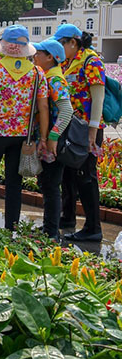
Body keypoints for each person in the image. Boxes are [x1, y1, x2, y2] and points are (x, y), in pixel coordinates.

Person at [0, 25, 48, 231]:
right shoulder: (36, 73)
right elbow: (43, 106)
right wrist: (44, 136)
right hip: (21, 134)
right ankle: (10, 228)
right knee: (14, 184)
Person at [56, 24, 106, 242]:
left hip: (87, 130)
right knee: (67, 175)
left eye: (61, 44)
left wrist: (93, 131)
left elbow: (98, 97)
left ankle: (93, 227)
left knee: (86, 178)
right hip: (70, 127)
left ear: (72, 43)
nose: (58, 48)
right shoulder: (66, 62)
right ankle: (67, 217)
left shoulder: (91, 60)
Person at [32, 38, 74, 242]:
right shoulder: (48, 76)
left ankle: (51, 232)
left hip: (54, 139)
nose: (34, 55)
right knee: (47, 183)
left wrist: (53, 137)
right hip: (50, 137)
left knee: (51, 185)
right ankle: (49, 227)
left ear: (50, 57)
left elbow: (66, 110)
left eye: (38, 52)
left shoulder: (55, 80)